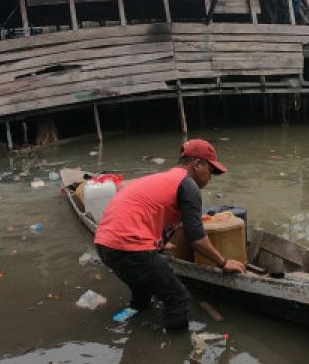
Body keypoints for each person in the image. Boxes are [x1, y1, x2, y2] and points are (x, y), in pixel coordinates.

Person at [94, 139, 245, 332]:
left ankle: (128, 320)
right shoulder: (188, 185)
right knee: (177, 298)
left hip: (104, 244)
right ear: (198, 164)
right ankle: (177, 350)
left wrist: (158, 244)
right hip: (129, 247)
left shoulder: (163, 179)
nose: (210, 177)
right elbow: (197, 240)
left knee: (143, 291)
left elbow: (146, 213)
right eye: (210, 170)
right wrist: (223, 263)